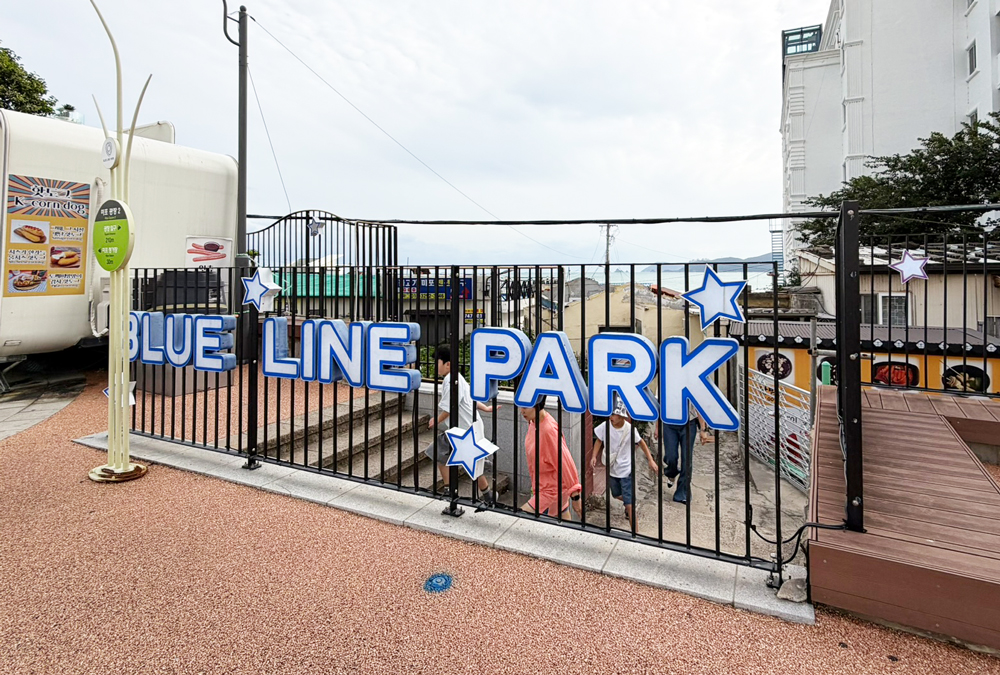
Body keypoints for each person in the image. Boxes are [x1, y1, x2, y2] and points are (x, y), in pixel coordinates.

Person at [425, 344, 498, 505]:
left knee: (436, 451)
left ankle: (449, 491)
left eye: (437, 362)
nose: (436, 367)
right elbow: (468, 397)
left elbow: (450, 408)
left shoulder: (450, 380)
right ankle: (488, 496)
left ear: (447, 364)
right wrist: (485, 408)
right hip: (470, 429)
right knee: (472, 463)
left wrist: (434, 421)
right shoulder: (458, 377)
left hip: (463, 431)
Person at [589, 399, 658, 529]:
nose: (611, 417)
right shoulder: (606, 426)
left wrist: (650, 460)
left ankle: (635, 533)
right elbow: (599, 440)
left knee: (630, 505)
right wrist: (593, 456)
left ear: (621, 416)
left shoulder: (629, 429)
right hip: (612, 469)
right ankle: (628, 503)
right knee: (616, 494)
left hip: (626, 471)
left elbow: (641, 442)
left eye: (614, 414)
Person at [518, 396, 582, 519]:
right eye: (521, 406)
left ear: (537, 404)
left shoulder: (548, 430)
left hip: (550, 491)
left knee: (519, 519)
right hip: (548, 487)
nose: (522, 411)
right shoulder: (534, 422)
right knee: (562, 519)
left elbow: (566, 462)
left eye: (525, 407)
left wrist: (575, 496)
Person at [655, 402, 713, 504]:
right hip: (669, 423)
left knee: (687, 459)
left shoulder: (692, 385)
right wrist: (657, 427)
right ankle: (671, 473)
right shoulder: (664, 385)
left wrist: (703, 429)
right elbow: (660, 405)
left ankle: (682, 493)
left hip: (689, 424)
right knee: (670, 456)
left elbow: (698, 405)